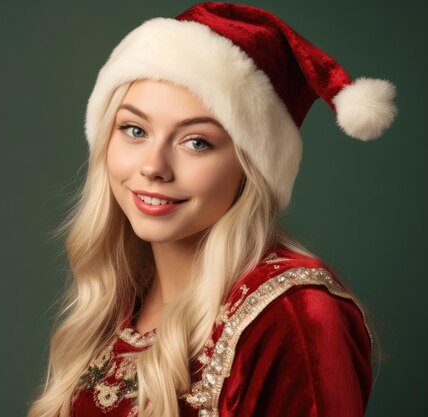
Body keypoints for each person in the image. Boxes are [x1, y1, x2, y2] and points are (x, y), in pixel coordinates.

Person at [28, 3, 397, 417]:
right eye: (135, 130)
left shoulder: (294, 316)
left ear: (249, 165)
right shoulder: (116, 302)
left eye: (196, 142)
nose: (153, 167)